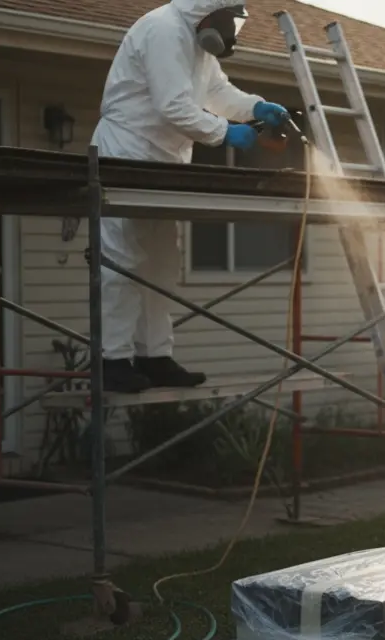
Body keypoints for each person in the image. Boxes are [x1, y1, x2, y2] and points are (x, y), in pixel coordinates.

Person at [91, 0, 291, 392]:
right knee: (122, 259)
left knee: (162, 262)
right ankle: (111, 359)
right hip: (128, 153)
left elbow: (215, 91)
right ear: (208, 11)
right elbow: (173, 104)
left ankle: (155, 356)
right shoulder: (164, 30)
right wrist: (224, 132)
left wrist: (255, 107)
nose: (231, 32)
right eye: (229, 21)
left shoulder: (198, 43)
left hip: (165, 161)